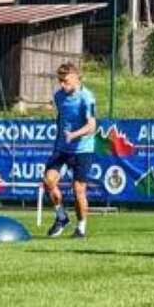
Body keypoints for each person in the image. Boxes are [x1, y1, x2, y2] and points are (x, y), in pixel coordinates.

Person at [44, 63, 98, 238]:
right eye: (60, 81)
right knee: (48, 181)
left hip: (82, 149)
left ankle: (81, 228)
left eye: (65, 81)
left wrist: (73, 135)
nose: (62, 85)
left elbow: (92, 125)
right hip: (61, 147)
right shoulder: (59, 96)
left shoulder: (86, 98)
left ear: (76, 78)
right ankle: (61, 217)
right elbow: (61, 118)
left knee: (78, 190)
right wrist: (59, 139)